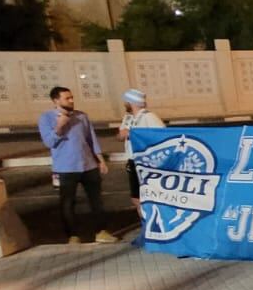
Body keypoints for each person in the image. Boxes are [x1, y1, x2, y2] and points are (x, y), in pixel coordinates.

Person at [39, 86, 115, 244]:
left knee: (96, 200)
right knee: (67, 202)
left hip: (88, 165)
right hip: (65, 167)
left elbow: (91, 139)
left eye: (72, 97)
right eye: (67, 98)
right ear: (56, 100)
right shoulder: (46, 118)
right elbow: (49, 142)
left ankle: (101, 231)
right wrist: (59, 126)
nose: (71, 100)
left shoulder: (82, 116)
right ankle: (73, 235)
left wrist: (100, 160)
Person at [117, 88, 165, 224]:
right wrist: (123, 134)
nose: (124, 104)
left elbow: (162, 136)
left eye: (126, 101)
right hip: (132, 161)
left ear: (131, 102)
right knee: (136, 198)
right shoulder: (128, 118)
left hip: (145, 161)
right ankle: (145, 225)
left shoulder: (149, 117)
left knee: (148, 196)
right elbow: (121, 136)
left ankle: (155, 224)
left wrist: (135, 134)